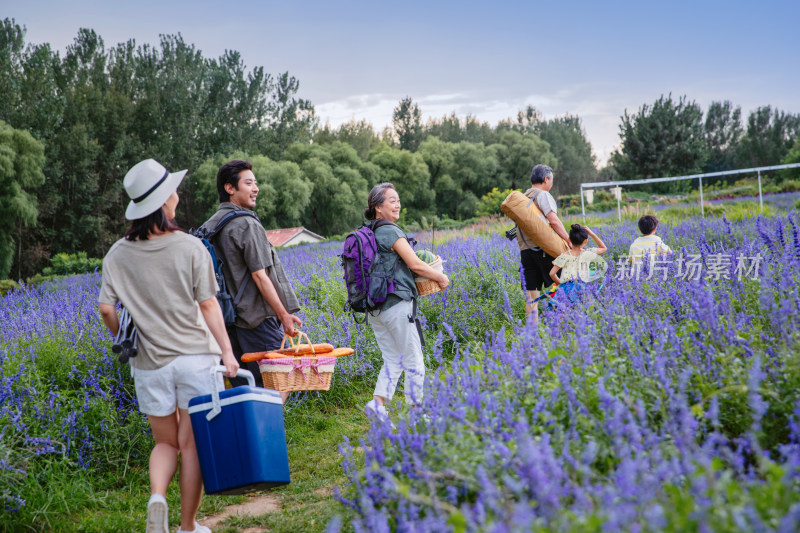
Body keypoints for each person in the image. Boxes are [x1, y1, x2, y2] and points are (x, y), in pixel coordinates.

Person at [98, 159, 239, 533]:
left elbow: (105, 309)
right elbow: (209, 305)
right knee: (191, 445)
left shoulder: (117, 254)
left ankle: (157, 497)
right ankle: (188, 527)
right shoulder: (191, 247)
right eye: (172, 190)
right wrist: (226, 351)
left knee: (164, 442)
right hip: (195, 357)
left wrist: (123, 337)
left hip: (149, 363)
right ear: (164, 201)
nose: (177, 195)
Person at [201, 160, 302, 402]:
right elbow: (260, 275)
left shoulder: (209, 226)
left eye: (255, 183)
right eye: (248, 183)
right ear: (229, 188)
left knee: (242, 388)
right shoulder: (246, 223)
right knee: (280, 379)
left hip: (225, 321)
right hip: (256, 319)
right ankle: (266, 436)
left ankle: (246, 436)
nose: (255, 188)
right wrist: (284, 315)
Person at [362, 183, 449, 423]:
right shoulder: (390, 231)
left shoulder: (369, 232)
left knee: (393, 359)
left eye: (398, 199)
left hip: (375, 308)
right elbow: (416, 264)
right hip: (397, 306)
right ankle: (417, 414)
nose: (397, 204)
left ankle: (377, 405)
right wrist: (440, 277)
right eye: (392, 200)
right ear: (378, 207)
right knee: (414, 360)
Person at [516, 164, 570, 323]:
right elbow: (553, 221)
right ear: (546, 179)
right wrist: (569, 241)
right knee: (567, 283)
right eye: (551, 179)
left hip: (526, 252)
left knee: (531, 297)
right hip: (544, 250)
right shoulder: (543, 195)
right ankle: (563, 327)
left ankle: (532, 335)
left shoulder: (524, 197)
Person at [549, 224, 608, 300]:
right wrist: (592, 234)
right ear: (586, 241)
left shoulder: (564, 256)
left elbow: (552, 273)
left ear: (569, 239)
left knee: (563, 309)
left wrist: (560, 283)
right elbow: (603, 248)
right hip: (581, 287)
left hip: (566, 288)